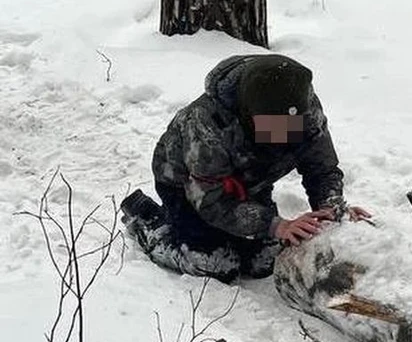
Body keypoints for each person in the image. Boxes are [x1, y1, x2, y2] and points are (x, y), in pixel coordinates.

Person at [121, 53, 370, 283]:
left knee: (265, 262)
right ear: (249, 113)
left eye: (290, 124)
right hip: (187, 186)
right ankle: (149, 219)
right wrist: (276, 225)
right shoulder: (206, 122)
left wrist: (331, 207)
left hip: (250, 182)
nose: (283, 135)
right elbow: (211, 201)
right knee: (216, 266)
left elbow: (321, 165)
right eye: (272, 126)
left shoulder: (303, 106)